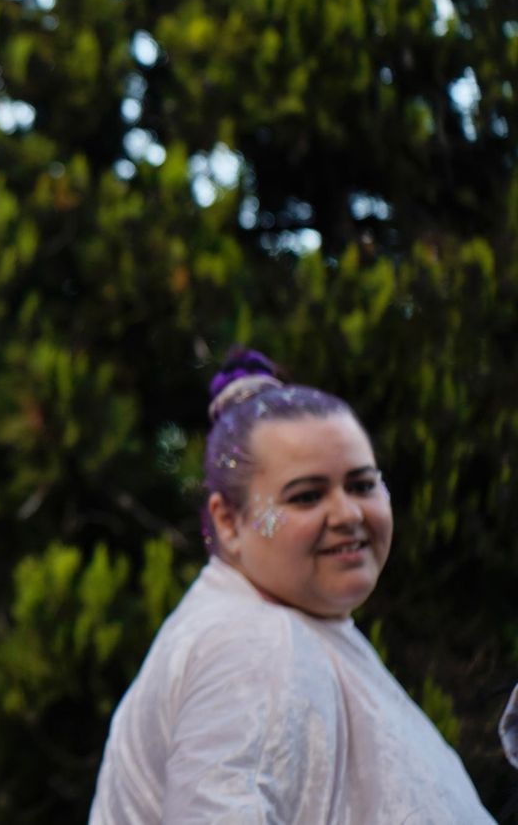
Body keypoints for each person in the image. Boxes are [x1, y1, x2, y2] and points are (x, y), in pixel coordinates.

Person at [89, 350, 493, 823]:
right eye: (306, 495)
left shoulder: (286, 626)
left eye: (362, 485)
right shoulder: (250, 644)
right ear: (228, 521)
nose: (348, 514)